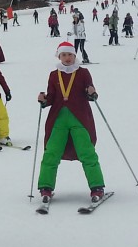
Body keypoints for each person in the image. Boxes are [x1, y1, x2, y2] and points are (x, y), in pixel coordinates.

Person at [36, 42, 105, 204]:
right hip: (58, 119)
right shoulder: (54, 75)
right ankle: (46, 186)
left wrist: (92, 93)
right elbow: (52, 96)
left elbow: (90, 89)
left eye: (70, 55)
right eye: (64, 55)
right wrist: (44, 100)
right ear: (59, 56)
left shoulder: (83, 72)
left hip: (79, 117)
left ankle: (97, 186)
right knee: (51, 152)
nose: (67, 58)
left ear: (75, 56)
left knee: (86, 151)